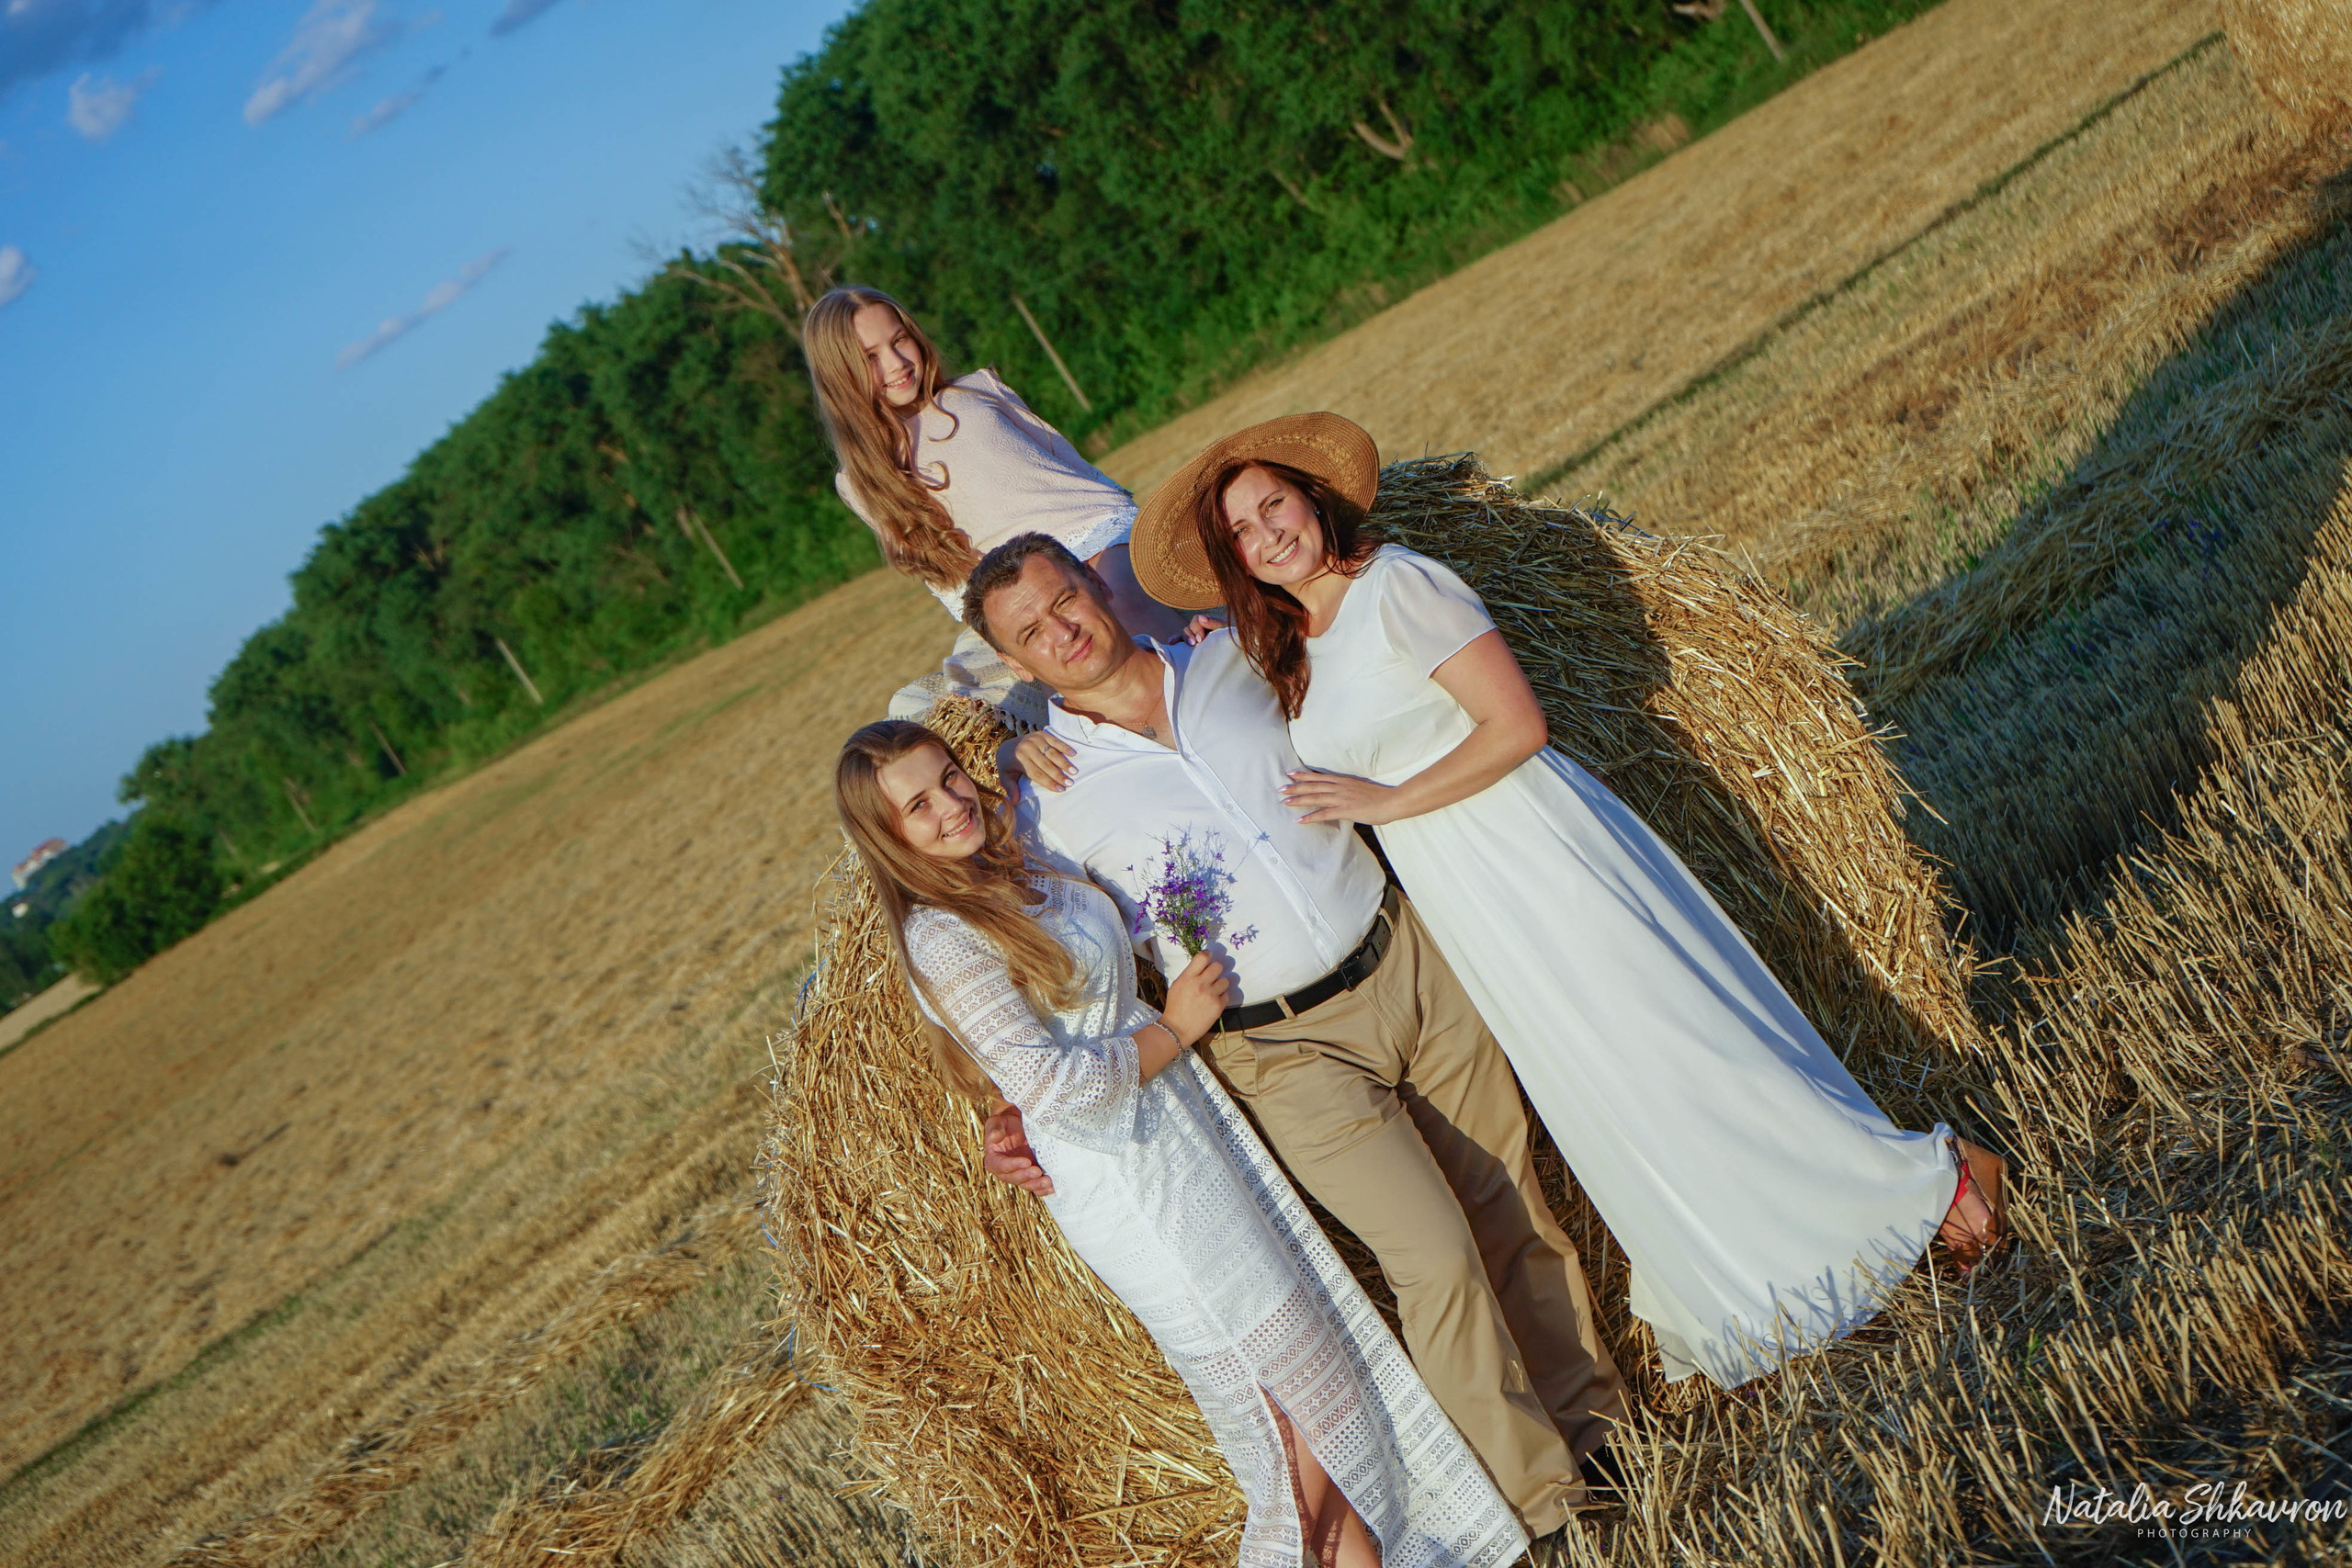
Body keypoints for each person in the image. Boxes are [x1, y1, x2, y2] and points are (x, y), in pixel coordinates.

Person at [1095, 412, 2007, 1390]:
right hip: (1465, 893)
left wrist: (1386, 801)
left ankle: (1932, 1176)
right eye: (1241, 530)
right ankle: (1770, 1263)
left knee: (1677, 1037)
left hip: (1532, 846)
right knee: (1611, 1078)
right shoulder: (1286, 642)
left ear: (1312, 498)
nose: (1267, 533)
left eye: (1274, 504)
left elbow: (1517, 724)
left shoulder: (1399, 584)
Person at [962, 535, 1630, 1537]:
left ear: (1097, 584)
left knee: (1512, 1204)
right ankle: (1545, 1505)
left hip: (1403, 960)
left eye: (1065, 600)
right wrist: (1005, 1104)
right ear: (1013, 663)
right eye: (1030, 632)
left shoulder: (1234, 656)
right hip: (1278, 1049)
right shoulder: (1044, 803)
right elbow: (1011, 959)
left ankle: (1600, 1431)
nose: (1061, 631)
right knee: (1434, 1258)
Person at [834, 718, 1528, 1568]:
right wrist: (1176, 1027)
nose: (950, 803)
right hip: (1136, 1189)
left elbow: (1008, 705)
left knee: (1319, 1407)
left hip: (1179, 1141)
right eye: (918, 805)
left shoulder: (1003, 867)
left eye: (948, 775)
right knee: (1297, 1421)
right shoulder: (943, 935)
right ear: (888, 835)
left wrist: (1011, 750)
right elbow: (1056, 1091)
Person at [802, 286, 1184, 726]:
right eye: (870, 356)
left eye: (900, 339)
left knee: (1134, 628)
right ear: (839, 374)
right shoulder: (860, 482)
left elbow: (1067, 463)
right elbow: (943, 573)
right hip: (1016, 590)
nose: (896, 363)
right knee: (1071, 691)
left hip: (1094, 535)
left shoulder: (977, 392)